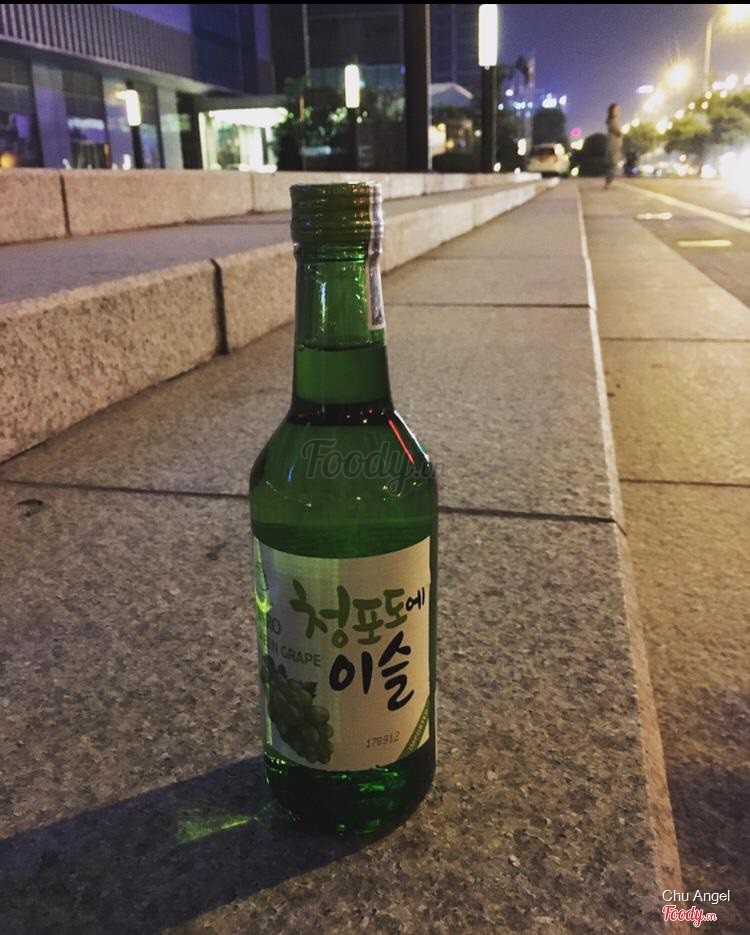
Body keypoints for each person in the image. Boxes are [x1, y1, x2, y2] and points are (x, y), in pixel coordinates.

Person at [605, 103, 623, 188]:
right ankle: (608, 183)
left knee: (611, 165)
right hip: (613, 146)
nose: (618, 111)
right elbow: (618, 132)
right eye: (616, 110)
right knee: (612, 164)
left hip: (612, 145)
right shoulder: (613, 121)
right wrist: (621, 132)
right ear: (612, 111)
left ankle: (608, 182)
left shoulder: (611, 120)